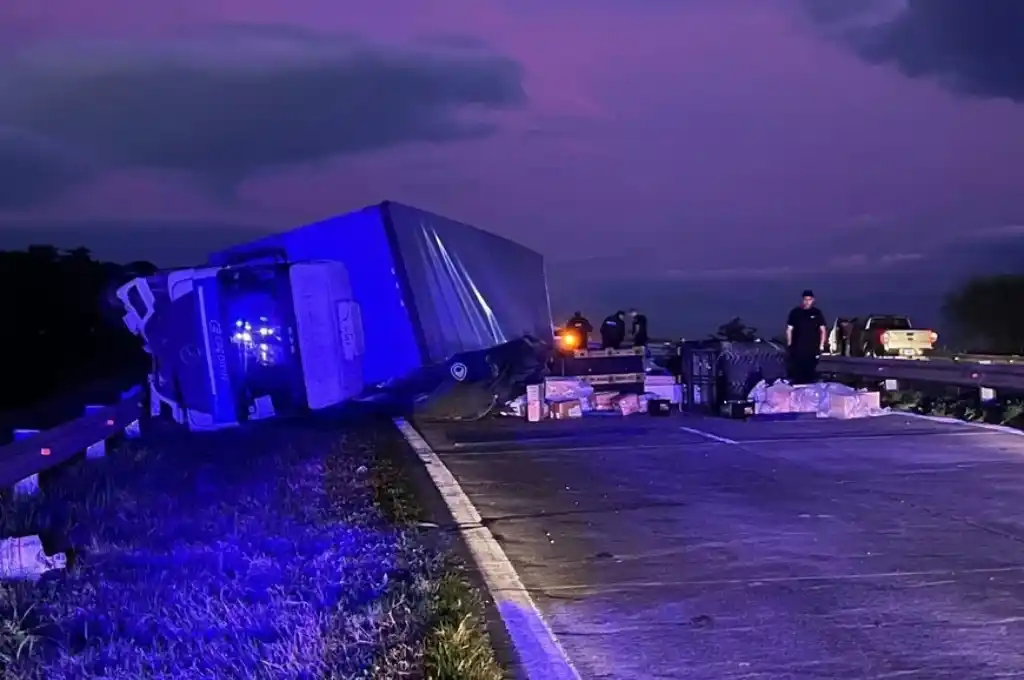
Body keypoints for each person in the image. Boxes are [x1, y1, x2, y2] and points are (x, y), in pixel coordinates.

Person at [785, 289, 826, 384]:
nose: (807, 302)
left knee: (810, 371)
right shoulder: (795, 313)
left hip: (812, 348)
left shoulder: (817, 313)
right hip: (798, 348)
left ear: (813, 300)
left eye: (810, 299)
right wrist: (790, 344)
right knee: (798, 372)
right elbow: (789, 329)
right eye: (805, 299)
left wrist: (821, 346)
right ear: (802, 300)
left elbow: (822, 330)